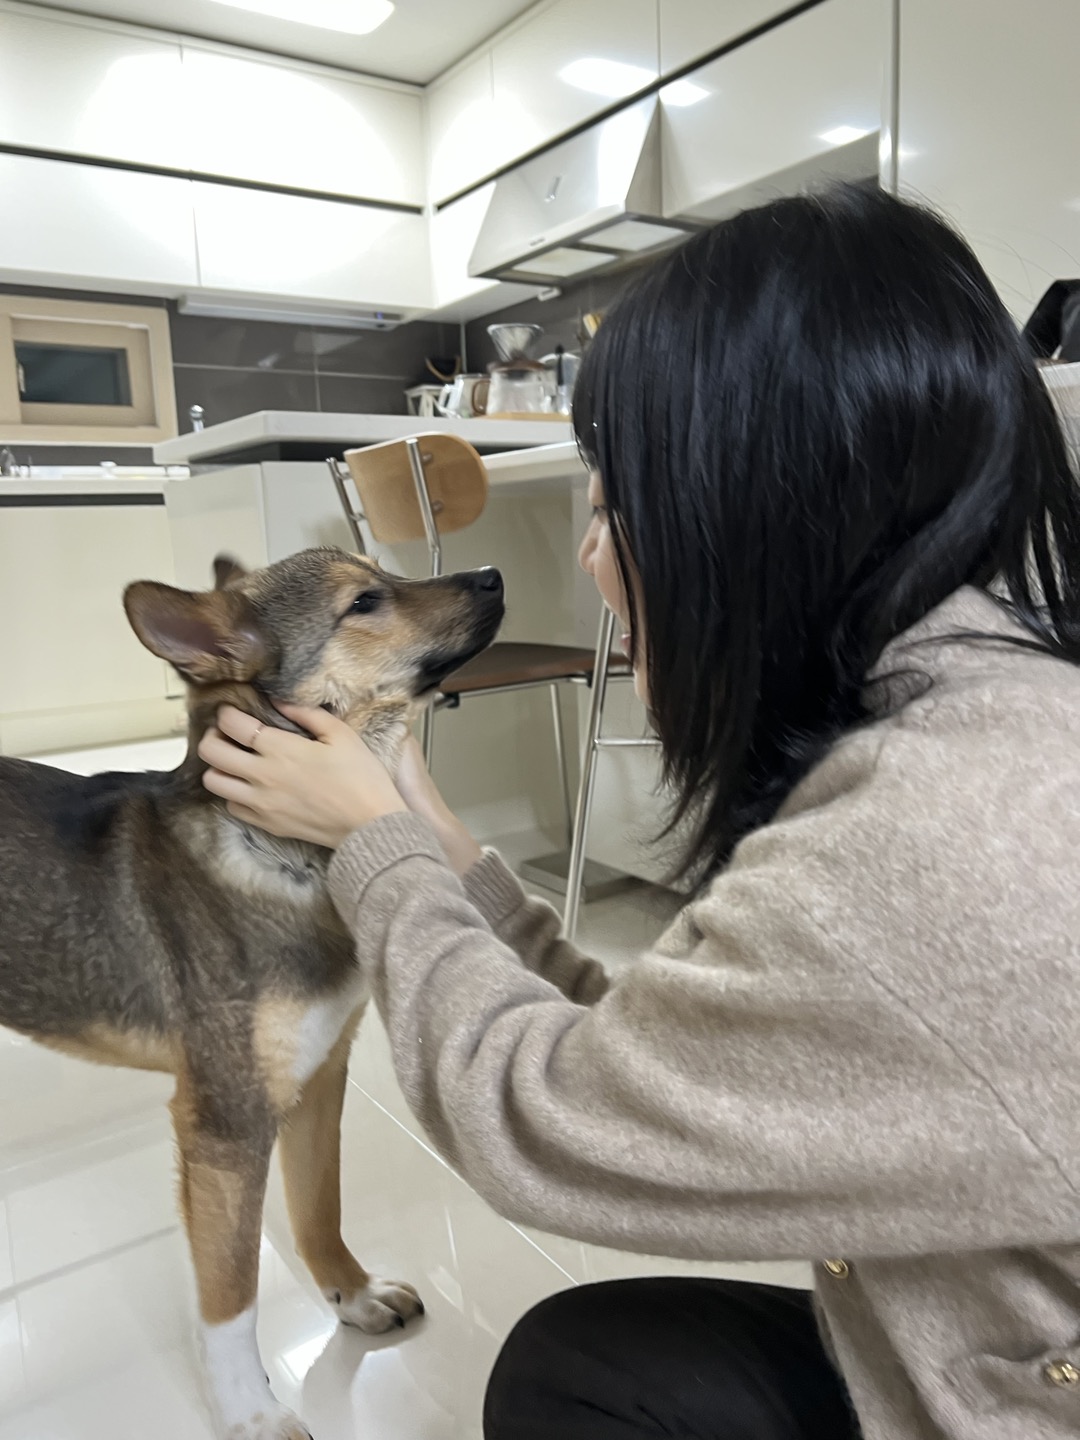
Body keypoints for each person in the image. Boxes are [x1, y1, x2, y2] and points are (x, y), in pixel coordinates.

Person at [197, 185, 1080, 1440]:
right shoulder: (980, 711)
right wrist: (450, 857)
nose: (591, 559)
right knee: (584, 1363)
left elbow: (544, 1118)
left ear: (755, 505)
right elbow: (693, 1062)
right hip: (985, 1346)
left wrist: (374, 848)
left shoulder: (935, 838)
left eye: (614, 506)